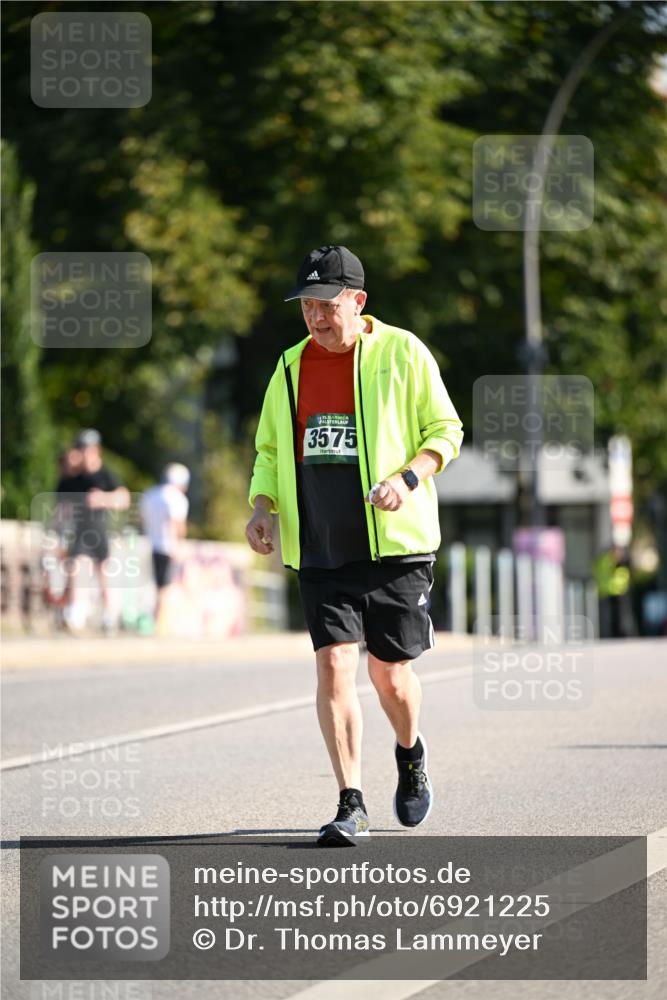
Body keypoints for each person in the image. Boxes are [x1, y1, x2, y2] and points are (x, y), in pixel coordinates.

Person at [246, 245, 463, 846]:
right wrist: (263, 508)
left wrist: (407, 478)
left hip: (395, 545)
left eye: (327, 304)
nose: (316, 317)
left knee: (389, 675)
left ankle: (411, 752)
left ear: (358, 302)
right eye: (307, 306)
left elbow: (446, 429)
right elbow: (268, 451)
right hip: (320, 543)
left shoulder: (403, 353)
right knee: (335, 664)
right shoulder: (289, 368)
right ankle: (351, 803)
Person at [56, 429, 130, 632]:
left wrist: (104, 499)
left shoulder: (106, 475)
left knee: (105, 575)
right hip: (80, 533)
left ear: (96, 450)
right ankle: (76, 614)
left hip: (102, 532)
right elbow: (60, 508)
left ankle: (110, 618)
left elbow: (124, 498)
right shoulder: (73, 479)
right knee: (77, 568)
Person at [140, 463, 190, 622]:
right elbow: (177, 524)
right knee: (165, 588)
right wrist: (180, 546)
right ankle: (158, 622)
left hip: (150, 544)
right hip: (168, 546)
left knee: (156, 587)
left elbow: (143, 519)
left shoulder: (150, 494)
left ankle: (154, 621)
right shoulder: (177, 498)